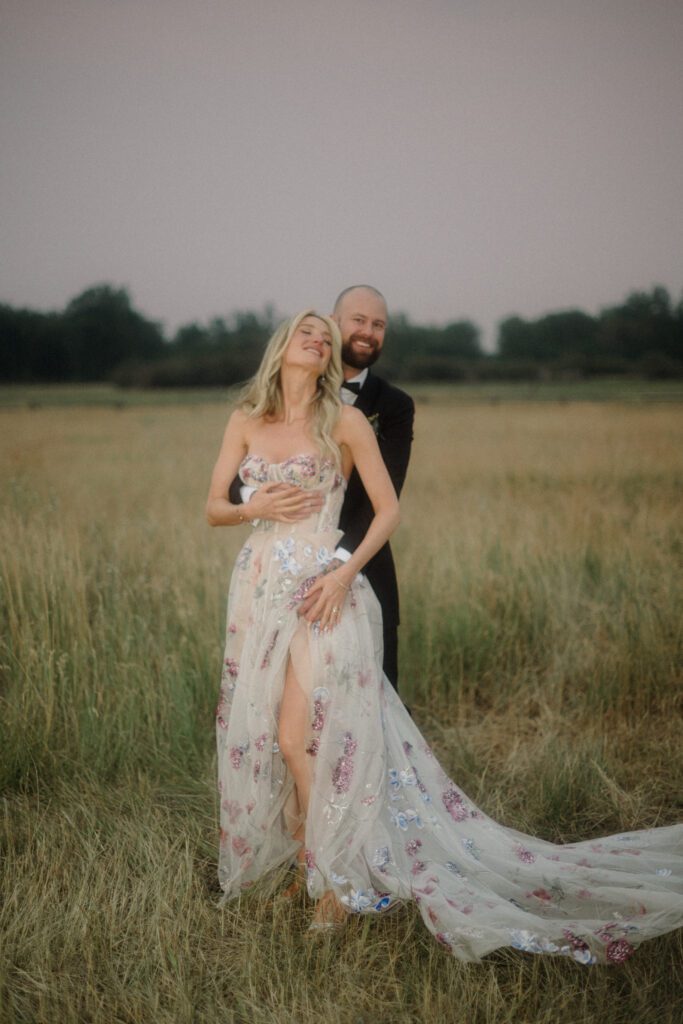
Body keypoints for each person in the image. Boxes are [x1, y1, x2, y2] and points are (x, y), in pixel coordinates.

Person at [207, 309, 683, 957]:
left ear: (327, 359)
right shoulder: (244, 419)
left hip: (323, 592)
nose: (317, 342)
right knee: (273, 739)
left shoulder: (341, 422)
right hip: (260, 591)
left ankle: (333, 879)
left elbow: (388, 508)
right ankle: (302, 864)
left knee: (300, 739)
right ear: (282, 347)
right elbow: (213, 508)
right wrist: (249, 508)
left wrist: (346, 574)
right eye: (305, 333)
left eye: (325, 338)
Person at [229, 285, 414, 691]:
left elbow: (385, 499)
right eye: (359, 321)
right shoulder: (275, 405)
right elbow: (234, 483)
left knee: (370, 696)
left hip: (359, 562)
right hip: (279, 569)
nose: (369, 332)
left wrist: (338, 567)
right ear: (335, 323)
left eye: (379, 325)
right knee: (277, 697)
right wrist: (257, 500)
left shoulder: (395, 405)